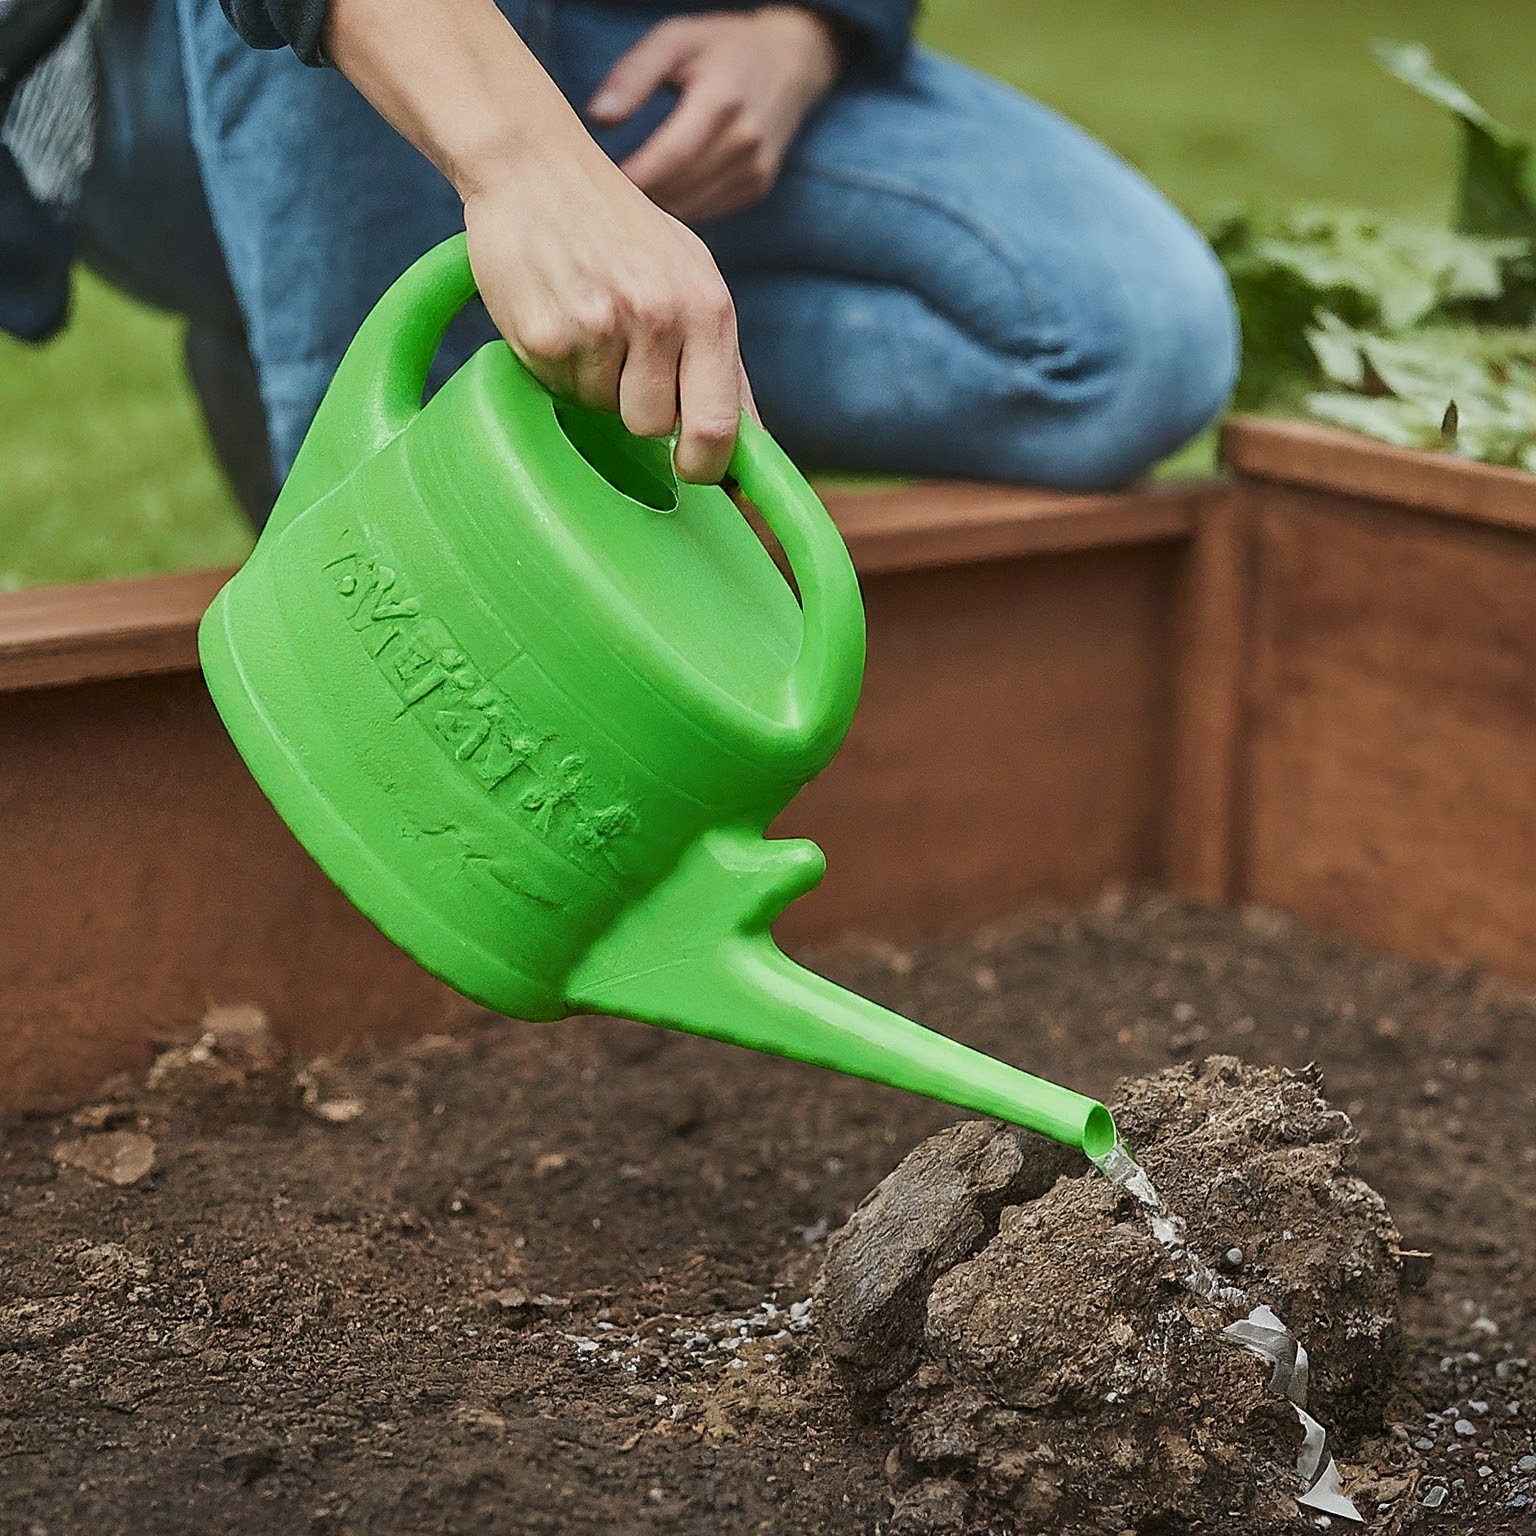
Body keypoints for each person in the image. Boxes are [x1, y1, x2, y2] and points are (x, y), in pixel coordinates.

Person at [14, 0, 1240, 520]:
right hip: (191, 65)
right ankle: (388, 536)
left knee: (1129, 342)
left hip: (618, 43)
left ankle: (472, 352)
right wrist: (520, 164)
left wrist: (800, 33)